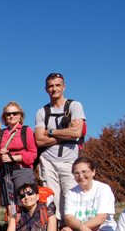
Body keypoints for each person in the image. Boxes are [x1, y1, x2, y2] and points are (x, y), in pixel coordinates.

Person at [34, 72, 86, 219]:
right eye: (51, 86)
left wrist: (50, 132)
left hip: (70, 160)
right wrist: (64, 134)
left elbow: (76, 132)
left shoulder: (75, 106)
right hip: (48, 160)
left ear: (64, 87)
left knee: (70, 196)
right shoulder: (41, 112)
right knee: (51, 198)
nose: (54, 89)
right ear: (46, 89)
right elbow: (39, 140)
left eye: (57, 85)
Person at [59, 157, 118, 231]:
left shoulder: (103, 189)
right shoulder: (71, 193)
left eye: (84, 172)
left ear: (93, 172)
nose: (80, 176)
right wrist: (82, 229)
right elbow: (69, 217)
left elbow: (101, 217)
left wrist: (80, 227)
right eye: (76, 173)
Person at [0, 102, 37, 215]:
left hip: (22, 170)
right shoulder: (1, 134)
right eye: (8, 114)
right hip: (6, 173)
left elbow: (33, 154)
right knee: (10, 203)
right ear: (4, 117)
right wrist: (1, 157)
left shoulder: (26, 131)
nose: (11, 116)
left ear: (20, 115)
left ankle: (30, 229)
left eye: (14, 113)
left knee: (26, 201)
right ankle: (14, 229)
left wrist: (14, 157)